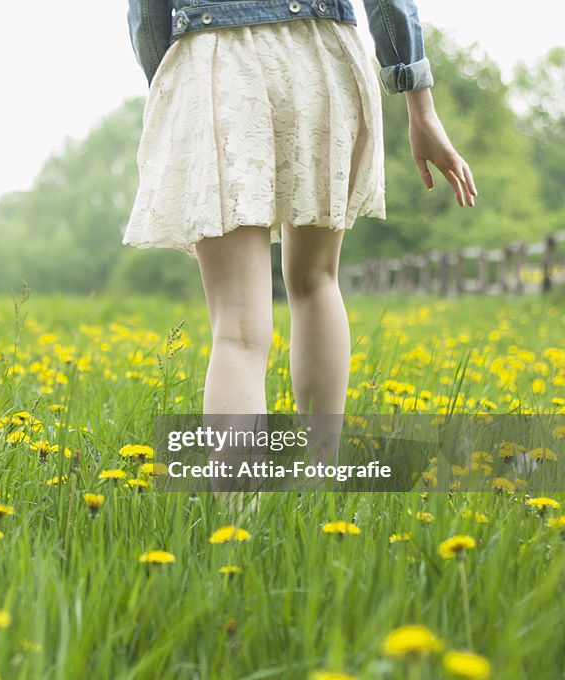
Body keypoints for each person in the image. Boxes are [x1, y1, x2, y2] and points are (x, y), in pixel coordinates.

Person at [123, 0, 477, 500]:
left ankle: (238, 521)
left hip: (216, 63)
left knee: (238, 331)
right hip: (320, 54)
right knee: (315, 282)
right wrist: (420, 106)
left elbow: (147, 13)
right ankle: (320, 483)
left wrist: (169, 78)